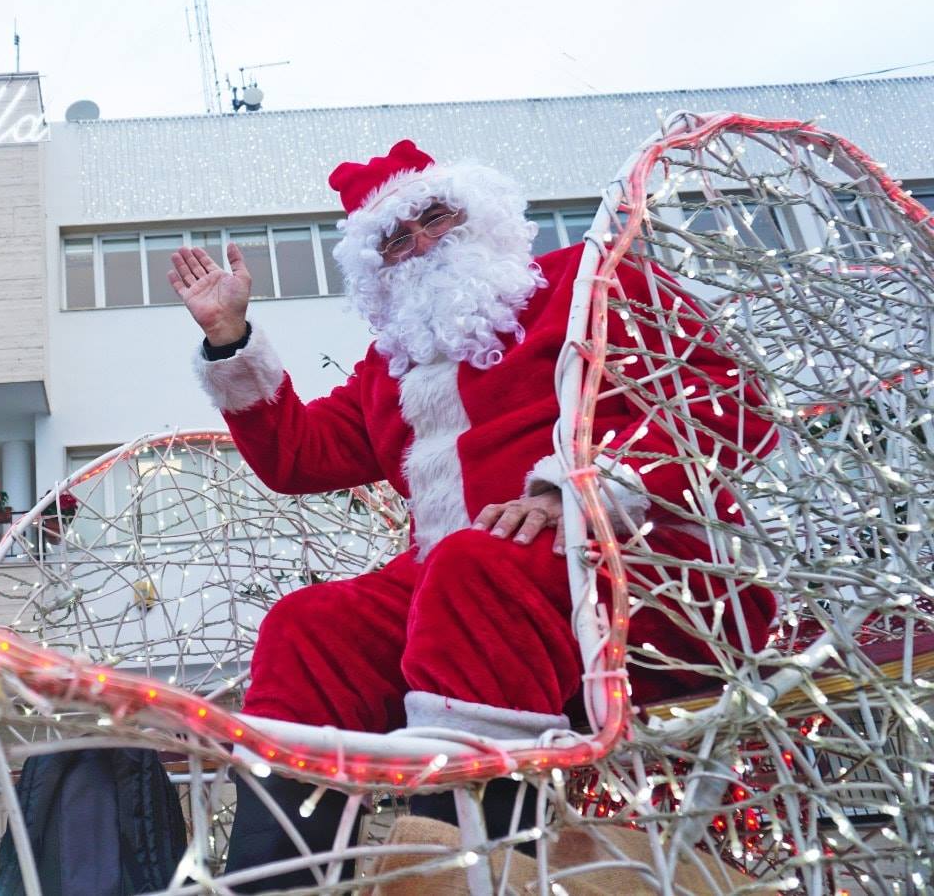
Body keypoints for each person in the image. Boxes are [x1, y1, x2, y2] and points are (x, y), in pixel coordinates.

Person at [169, 139, 776, 890]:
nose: (421, 242)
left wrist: (575, 492)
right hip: (469, 582)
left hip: (642, 571)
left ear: (479, 212)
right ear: (379, 271)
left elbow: (727, 400)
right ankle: (280, 881)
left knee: (469, 564)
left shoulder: (589, 285)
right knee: (307, 625)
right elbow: (299, 456)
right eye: (395, 239)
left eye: (434, 216)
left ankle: (461, 872)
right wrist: (230, 338)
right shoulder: (392, 366)